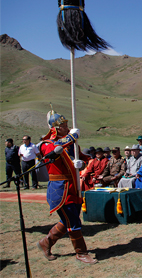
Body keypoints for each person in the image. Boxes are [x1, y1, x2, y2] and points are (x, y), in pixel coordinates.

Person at [36, 107, 96, 264]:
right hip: (60, 188)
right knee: (73, 221)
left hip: (73, 186)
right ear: (56, 128)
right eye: (64, 126)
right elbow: (54, 149)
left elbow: (83, 158)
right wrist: (71, 136)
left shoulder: (71, 144)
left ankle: (46, 242)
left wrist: (82, 163)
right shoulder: (46, 144)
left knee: (70, 219)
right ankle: (81, 253)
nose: (67, 127)